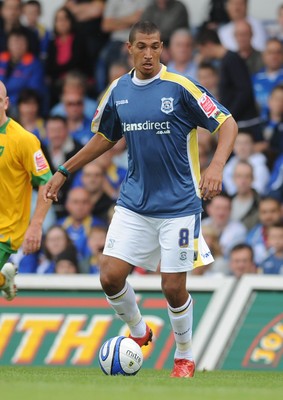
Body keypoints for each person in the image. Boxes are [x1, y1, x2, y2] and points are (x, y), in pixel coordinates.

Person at [43, 21, 238, 378]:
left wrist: (216, 166)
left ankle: (184, 356)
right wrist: (64, 170)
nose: (149, 54)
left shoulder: (180, 88)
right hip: (134, 203)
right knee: (109, 276)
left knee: (172, 286)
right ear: (129, 50)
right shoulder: (118, 91)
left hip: (179, 205)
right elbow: (104, 136)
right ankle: (138, 331)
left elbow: (227, 123)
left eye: (155, 47)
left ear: (161, 48)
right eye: (142, 47)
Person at [0, 80, 52, 299]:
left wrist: (36, 225)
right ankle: (3, 278)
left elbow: (47, 184)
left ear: (6, 103)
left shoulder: (23, 139)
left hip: (5, 230)